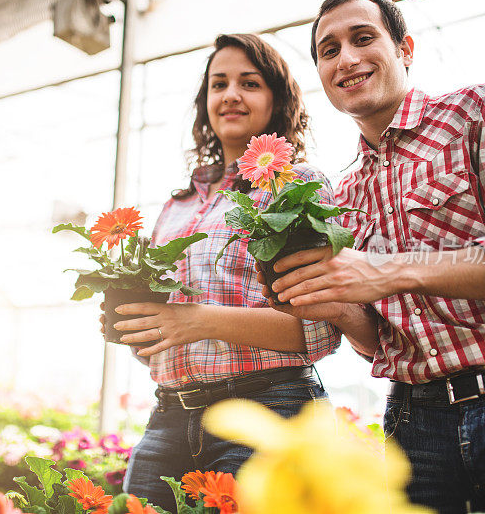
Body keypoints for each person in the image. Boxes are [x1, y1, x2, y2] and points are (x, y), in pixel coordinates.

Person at [262, 0, 485, 513]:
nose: (345, 58)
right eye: (328, 51)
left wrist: (388, 271)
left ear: (405, 49)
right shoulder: (342, 193)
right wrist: (334, 304)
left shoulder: (479, 110)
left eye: (363, 38)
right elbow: (379, 342)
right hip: (419, 423)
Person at [97, 33, 353, 510]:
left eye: (249, 83)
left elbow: (318, 333)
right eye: (219, 84)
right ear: (205, 103)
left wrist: (194, 319)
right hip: (172, 413)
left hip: (267, 409)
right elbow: (170, 328)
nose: (231, 95)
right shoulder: (176, 207)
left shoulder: (298, 187)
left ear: (277, 101)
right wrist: (140, 329)